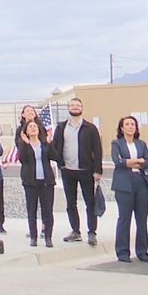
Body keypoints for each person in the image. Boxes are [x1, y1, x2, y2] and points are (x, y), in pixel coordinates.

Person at [51, 98, 103, 246]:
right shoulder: (61, 128)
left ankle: (92, 232)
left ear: (82, 108)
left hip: (86, 171)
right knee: (70, 203)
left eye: (78, 105)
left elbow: (97, 150)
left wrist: (97, 170)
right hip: (68, 171)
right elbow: (55, 147)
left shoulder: (90, 128)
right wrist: (59, 163)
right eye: (72, 105)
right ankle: (75, 231)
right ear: (68, 108)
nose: (75, 107)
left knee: (90, 203)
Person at [111, 116, 148, 262]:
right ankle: (122, 252)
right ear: (121, 128)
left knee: (142, 219)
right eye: (127, 124)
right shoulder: (116, 143)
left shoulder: (141, 144)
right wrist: (136, 161)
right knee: (124, 218)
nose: (130, 127)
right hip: (124, 184)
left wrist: (131, 163)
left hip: (141, 182)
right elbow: (118, 162)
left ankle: (142, 251)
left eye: (133, 124)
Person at [17, 119, 56, 247]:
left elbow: (54, 156)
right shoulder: (24, 145)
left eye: (35, 126)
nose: (33, 128)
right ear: (26, 131)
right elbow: (22, 159)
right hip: (30, 182)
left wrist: (50, 143)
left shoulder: (44, 144)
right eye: (30, 127)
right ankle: (33, 237)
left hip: (46, 182)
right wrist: (27, 143)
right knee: (31, 210)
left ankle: (48, 237)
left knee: (47, 210)